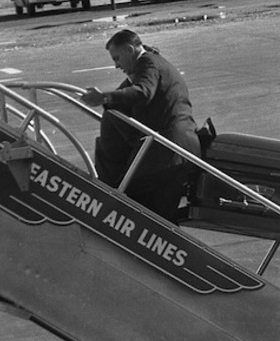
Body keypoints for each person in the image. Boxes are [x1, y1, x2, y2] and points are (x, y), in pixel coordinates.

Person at [80, 29, 200, 222]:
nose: (117, 65)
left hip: (168, 151)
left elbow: (143, 92)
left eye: (117, 58)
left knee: (131, 198)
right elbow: (127, 95)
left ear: (129, 50)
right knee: (157, 215)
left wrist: (104, 97)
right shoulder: (152, 64)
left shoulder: (148, 63)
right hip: (174, 151)